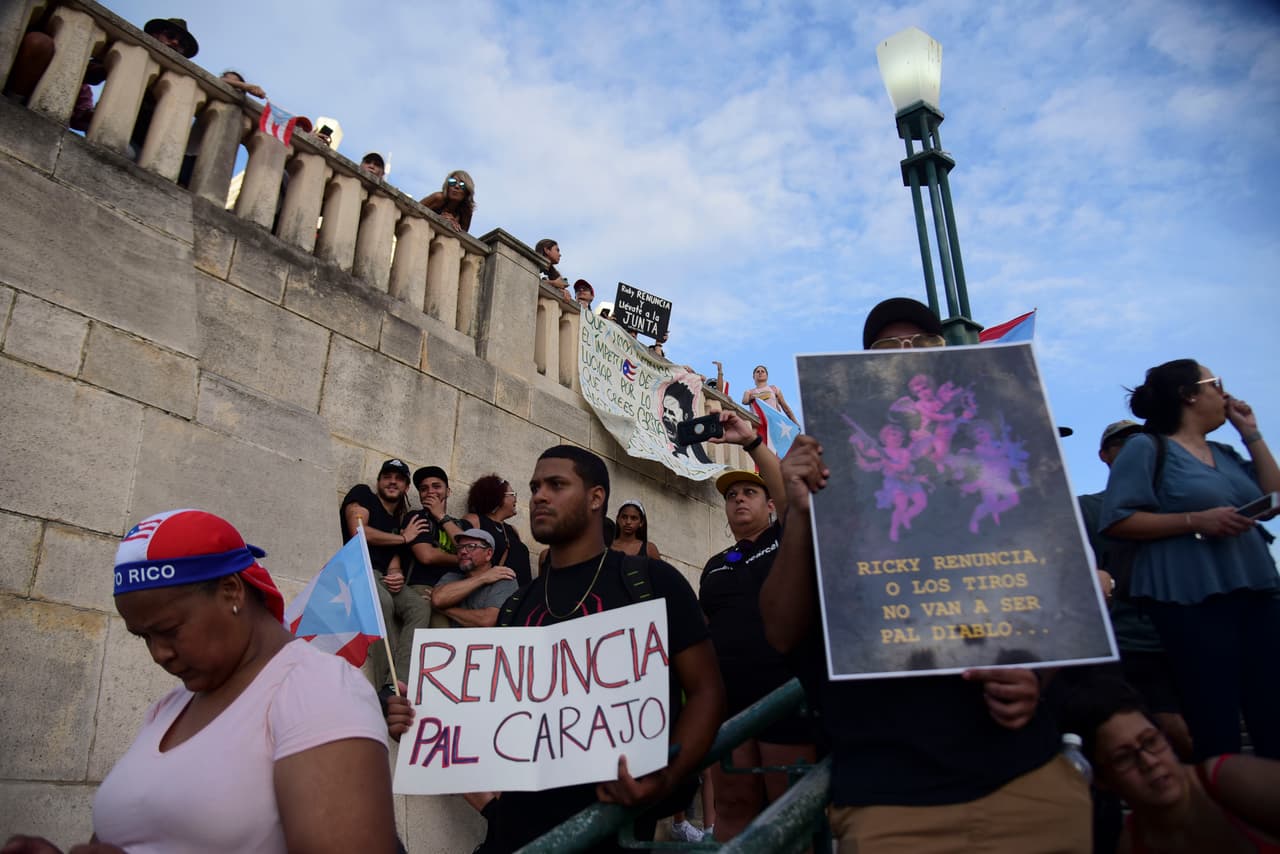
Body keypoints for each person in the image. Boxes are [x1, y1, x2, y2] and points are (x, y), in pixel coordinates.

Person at [760, 296, 1091, 853]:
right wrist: (798, 515)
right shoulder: (827, 476)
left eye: (924, 343)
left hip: (1028, 782)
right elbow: (780, 629)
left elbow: (1057, 597)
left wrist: (1039, 677)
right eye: (888, 348)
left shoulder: (998, 460)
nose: (907, 355)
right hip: (892, 802)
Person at [2, 509, 396, 854]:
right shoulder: (168, 709)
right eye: (143, 637)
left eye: (169, 630)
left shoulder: (317, 689)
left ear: (230, 592)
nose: (159, 654)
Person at [480, 445, 725, 852]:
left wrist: (665, 777)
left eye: (556, 485)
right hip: (518, 831)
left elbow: (707, 691)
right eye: (535, 486)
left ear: (596, 498)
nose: (539, 495)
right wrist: (423, 716)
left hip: (614, 826)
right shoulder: (516, 605)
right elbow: (494, 712)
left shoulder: (652, 582)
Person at [1100, 359, 1280, 760]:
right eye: (1215, 382)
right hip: (1191, 595)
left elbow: (1274, 497)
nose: (1224, 392)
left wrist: (1251, 433)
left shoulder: (1226, 452)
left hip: (1254, 586)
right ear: (1189, 394)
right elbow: (1119, 519)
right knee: (1213, 715)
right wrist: (1195, 520)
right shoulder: (1147, 448)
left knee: (1272, 707)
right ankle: (1223, 808)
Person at [698, 412, 816, 841]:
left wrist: (751, 445)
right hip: (731, 704)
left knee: (790, 814)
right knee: (732, 807)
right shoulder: (714, 566)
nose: (739, 501)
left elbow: (788, 494)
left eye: (750, 493)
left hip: (784, 697)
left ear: (769, 504)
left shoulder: (786, 535)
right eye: (732, 497)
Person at [1076, 420, 1192, 760]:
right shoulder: (1086, 508)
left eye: (1139, 440)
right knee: (1162, 727)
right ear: (1103, 455)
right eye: (1120, 442)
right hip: (1125, 638)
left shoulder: (1180, 507)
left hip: (1181, 633)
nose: (1131, 446)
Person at [1062, 677, 1280, 854]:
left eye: (1151, 741)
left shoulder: (1228, 779)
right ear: (1100, 779)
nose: (1149, 762)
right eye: (1124, 758)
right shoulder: (1131, 844)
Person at [341, 459, 428, 689]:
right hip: (357, 569)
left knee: (419, 607)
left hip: (381, 575)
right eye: (387, 476)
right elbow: (358, 531)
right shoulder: (364, 495)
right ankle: (385, 686)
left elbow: (394, 561)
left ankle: (399, 680)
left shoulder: (399, 520)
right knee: (383, 602)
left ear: (406, 487)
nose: (392, 481)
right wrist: (403, 538)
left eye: (399, 478)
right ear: (379, 481)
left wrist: (396, 575)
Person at [404, 465, 469, 627]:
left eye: (437, 486)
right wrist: (461, 560)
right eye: (424, 488)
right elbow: (426, 556)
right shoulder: (416, 517)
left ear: (448, 491)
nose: (430, 492)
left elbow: (469, 551)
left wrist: (441, 516)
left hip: (457, 592)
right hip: (424, 588)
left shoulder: (463, 525)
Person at [460, 474, 533, 588]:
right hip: (493, 596)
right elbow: (461, 551)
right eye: (512, 494)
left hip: (519, 597)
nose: (515, 499)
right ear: (498, 498)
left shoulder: (512, 530)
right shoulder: (475, 520)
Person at [660, 380, 713, 464]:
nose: (665, 416)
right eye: (664, 410)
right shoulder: (660, 443)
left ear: (685, 416)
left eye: (671, 413)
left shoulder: (698, 456)